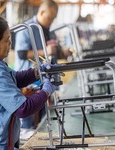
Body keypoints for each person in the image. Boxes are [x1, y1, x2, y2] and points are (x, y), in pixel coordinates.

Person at [0, 16, 57, 150]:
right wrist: (46, 91)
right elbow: (23, 108)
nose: (10, 43)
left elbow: (15, 78)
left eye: (10, 38)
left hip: (1, 138)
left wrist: (37, 71)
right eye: (6, 39)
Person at [14, 0, 72, 129]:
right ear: (41, 12)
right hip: (29, 84)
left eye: (53, 19)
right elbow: (21, 54)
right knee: (27, 121)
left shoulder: (49, 31)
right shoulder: (27, 28)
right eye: (50, 18)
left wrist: (63, 52)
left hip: (45, 82)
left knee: (43, 120)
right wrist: (44, 51)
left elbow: (54, 54)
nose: (51, 21)